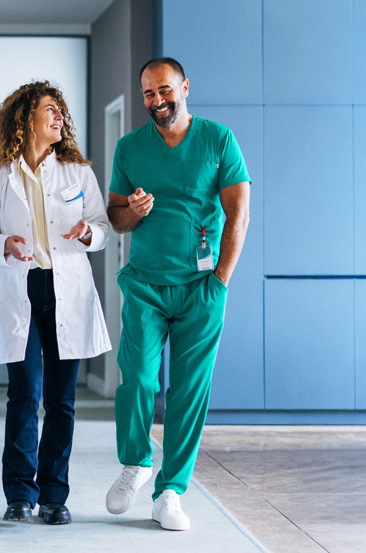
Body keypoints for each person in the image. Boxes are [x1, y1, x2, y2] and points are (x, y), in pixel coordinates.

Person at [105, 57, 250, 531]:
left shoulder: (218, 140)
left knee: (188, 391)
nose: (157, 100)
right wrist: (134, 211)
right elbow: (116, 218)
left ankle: (171, 492)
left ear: (185, 87)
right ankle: (136, 462)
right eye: (148, 93)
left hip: (201, 287)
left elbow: (238, 212)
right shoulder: (130, 147)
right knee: (137, 379)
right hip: (145, 284)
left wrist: (221, 280)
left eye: (164, 90)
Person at [0, 81, 111, 525]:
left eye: (60, 111)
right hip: (23, 289)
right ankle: (19, 493)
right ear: (26, 117)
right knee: (24, 394)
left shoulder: (77, 172)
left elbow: (101, 227)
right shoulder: (0, 175)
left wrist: (88, 233)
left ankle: (54, 495)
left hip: (66, 289)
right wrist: (5, 245)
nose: (59, 117)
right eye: (50, 109)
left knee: (61, 400)